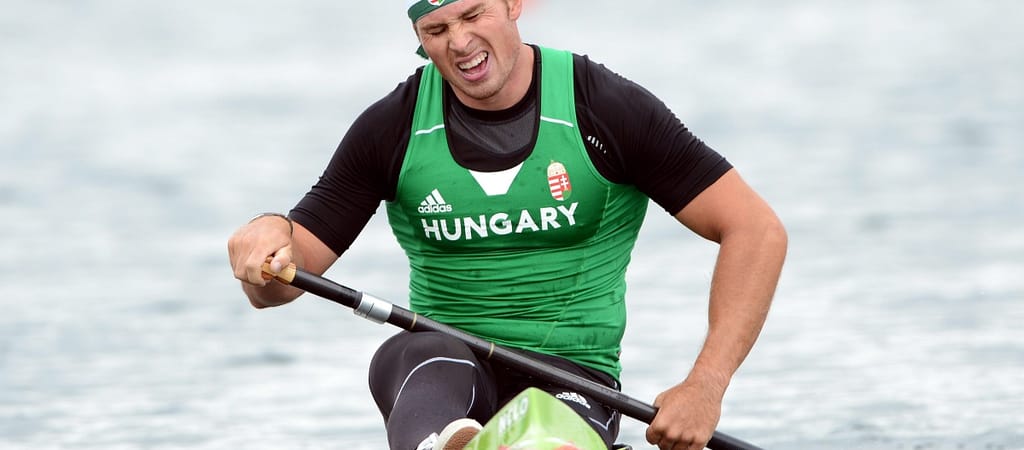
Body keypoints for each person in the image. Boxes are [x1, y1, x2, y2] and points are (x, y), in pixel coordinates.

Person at [227, 0, 788, 449]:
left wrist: (705, 386)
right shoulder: (393, 127)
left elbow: (755, 230)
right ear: (419, 37)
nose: (459, 42)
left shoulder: (605, 109)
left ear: (514, 4)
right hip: (440, 371)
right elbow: (280, 282)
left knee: (536, 423)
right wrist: (266, 239)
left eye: (474, 15)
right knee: (408, 355)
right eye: (437, 29)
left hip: (574, 379)